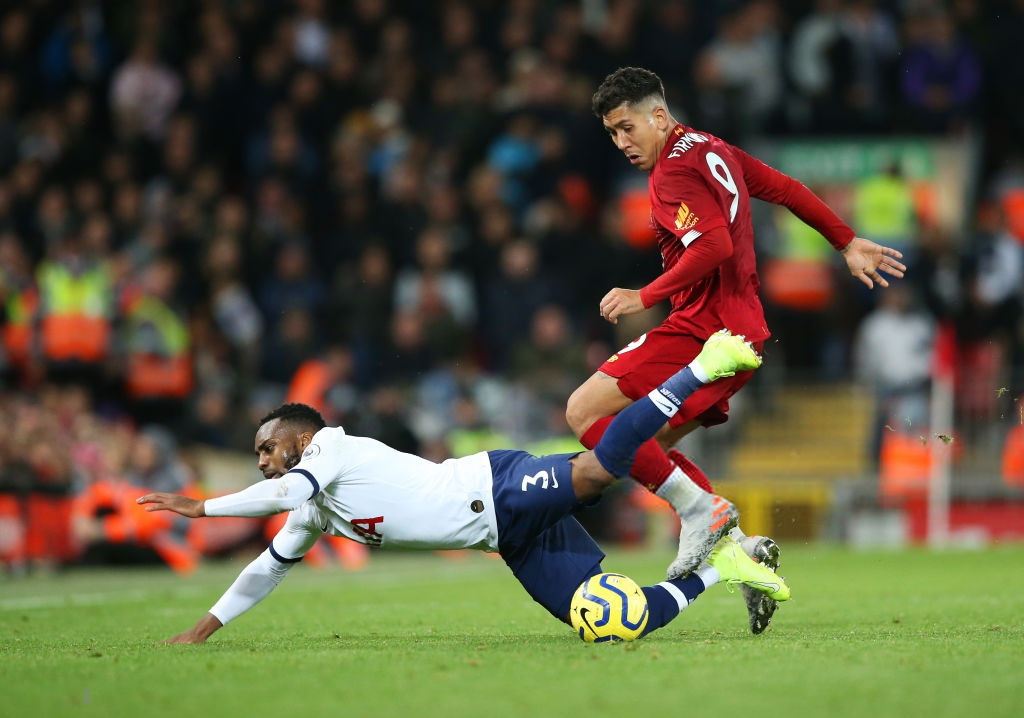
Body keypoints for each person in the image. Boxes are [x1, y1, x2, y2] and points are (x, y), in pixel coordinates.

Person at [137, 331, 789, 644]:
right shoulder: (313, 510)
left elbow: (282, 492)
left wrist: (200, 506)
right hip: (508, 539)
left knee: (598, 467)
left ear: (300, 438)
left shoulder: (330, 448)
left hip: (495, 485)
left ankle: (702, 365)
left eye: (266, 447)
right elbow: (264, 570)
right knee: (614, 626)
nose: (261, 462)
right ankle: (727, 567)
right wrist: (200, 633)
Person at [568, 66, 906, 634]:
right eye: (611, 133)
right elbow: (786, 188)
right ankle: (744, 554)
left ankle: (701, 512)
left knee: (585, 413)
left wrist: (643, 294)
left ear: (658, 115)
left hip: (704, 329)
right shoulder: (709, 147)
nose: (622, 142)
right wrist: (845, 241)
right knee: (643, 447)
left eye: (627, 127)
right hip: (739, 330)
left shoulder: (673, 170)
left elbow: (715, 244)